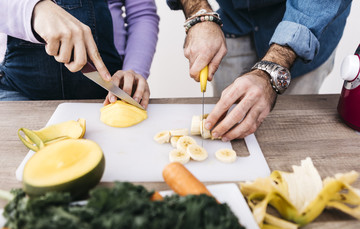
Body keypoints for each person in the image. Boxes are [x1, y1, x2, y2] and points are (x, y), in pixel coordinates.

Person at [167, 0, 352, 140]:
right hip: (233, 21)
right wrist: (199, 12)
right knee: (229, 117)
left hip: (307, 22)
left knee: (288, 133)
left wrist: (273, 68)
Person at [0, 0, 159, 109]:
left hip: (109, 93)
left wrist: (134, 70)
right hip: (17, 91)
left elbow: (141, 14)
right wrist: (33, 9)